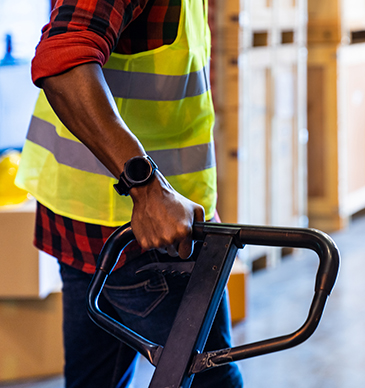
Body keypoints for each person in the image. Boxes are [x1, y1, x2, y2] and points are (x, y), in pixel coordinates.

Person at [15, 0, 243, 387]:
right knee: (211, 381)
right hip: (147, 235)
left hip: (88, 216)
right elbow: (64, 61)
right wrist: (149, 190)